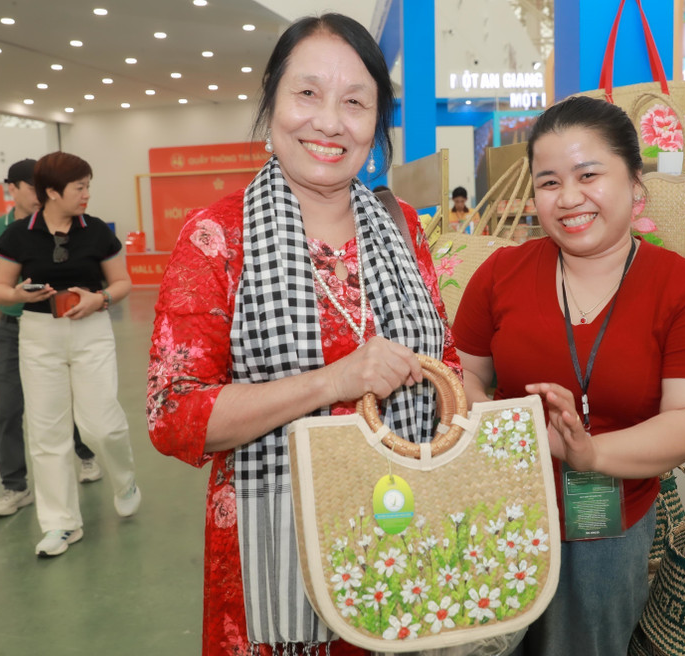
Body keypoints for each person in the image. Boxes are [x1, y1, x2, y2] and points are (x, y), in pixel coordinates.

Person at [147, 13, 460, 656]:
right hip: (273, 555)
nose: (329, 121)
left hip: (406, 538)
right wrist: (336, 381)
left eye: (355, 101)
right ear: (272, 104)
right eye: (308, 93)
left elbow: (446, 365)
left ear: (376, 123)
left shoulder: (402, 228)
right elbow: (175, 414)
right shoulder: (216, 238)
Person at [452, 95, 685, 655]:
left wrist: (588, 454)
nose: (569, 197)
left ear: (635, 185)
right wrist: (489, 417)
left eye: (588, 174)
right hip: (499, 509)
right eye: (549, 181)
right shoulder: (501, 273)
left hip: (611, 525)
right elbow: (464, 373)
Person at [0, 151, 139, 557]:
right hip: (38, 335)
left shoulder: (98, 233)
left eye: (88, 185)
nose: (87, 194)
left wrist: (101, 298)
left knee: (101, 423)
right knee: (47, 432)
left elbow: (123, 282)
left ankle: (124, 478)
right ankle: (61, 524)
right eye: (80, 187)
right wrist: (17, 295)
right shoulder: (17, 235)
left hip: (91, 330)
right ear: (52, 192)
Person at [0, 159, 102, 518]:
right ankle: (15, 487)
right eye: (31, 186)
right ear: (14, 188)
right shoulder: (0, 230)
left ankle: (85, 454)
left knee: (65, 401)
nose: (39, 194)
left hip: (56, 326)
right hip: (11, 327)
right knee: (7, 409)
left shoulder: (69, 224)